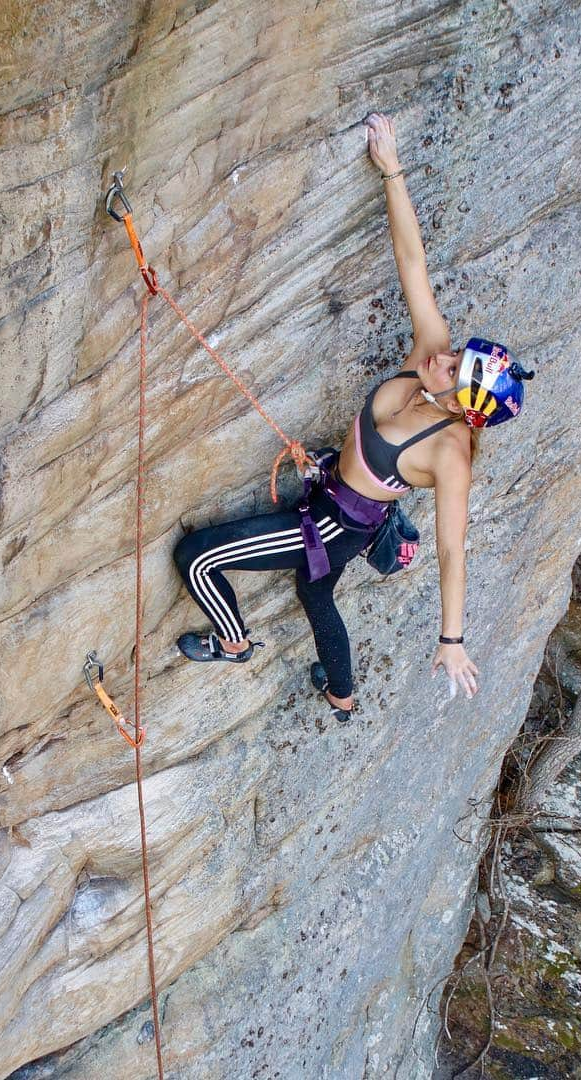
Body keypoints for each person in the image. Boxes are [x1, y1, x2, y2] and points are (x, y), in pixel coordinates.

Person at [173, 112, 533, 721]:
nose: (443, 355)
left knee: (196, 556)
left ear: (461, 405)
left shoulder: (450, 455)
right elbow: (412, 265)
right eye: (455, 353)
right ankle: (341, 696)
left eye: (453, 368)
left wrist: (452, 641)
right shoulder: (430, 362)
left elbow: (453, 550)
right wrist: (392, 171)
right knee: (316, 595)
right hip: (333, 496)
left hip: (338, 524)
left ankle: (231, 639)